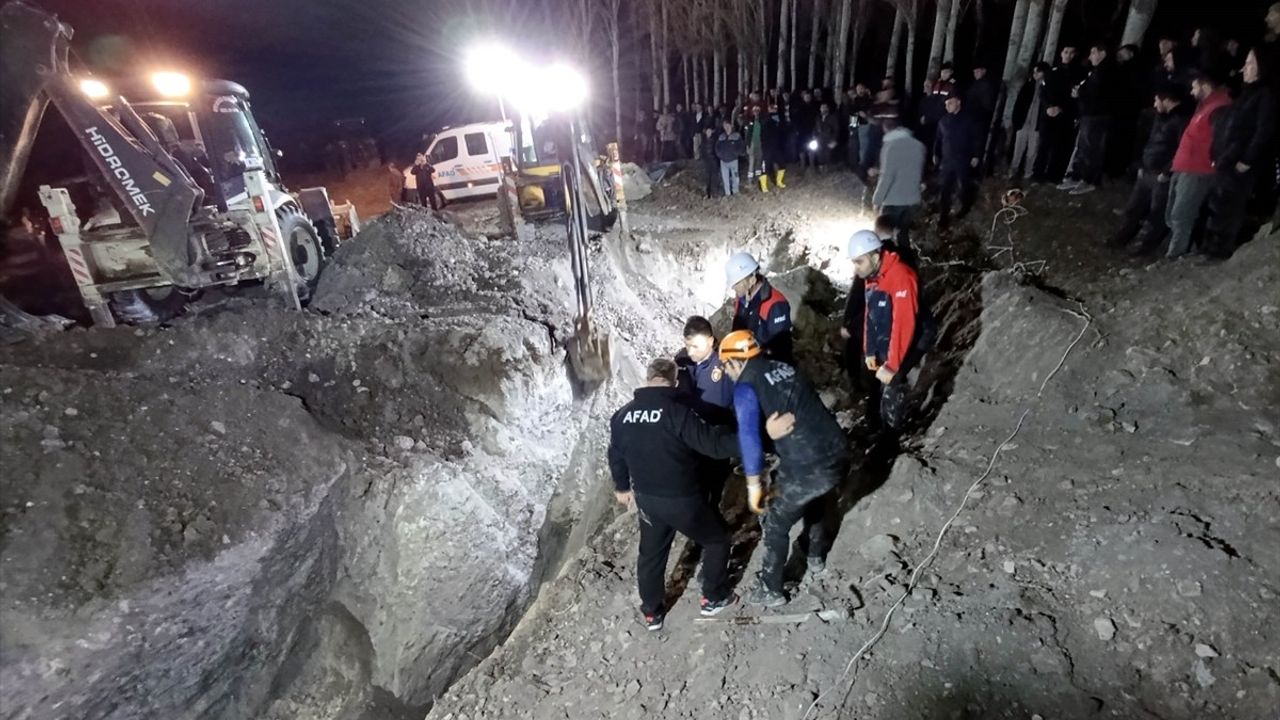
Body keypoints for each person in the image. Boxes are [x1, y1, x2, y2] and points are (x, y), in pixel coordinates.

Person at [607, 358, 742, 630]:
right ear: (676, 380)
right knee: (717, 539)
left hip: (647, 499)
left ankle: (651, 613)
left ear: (647, 379)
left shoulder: (622, 415)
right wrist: (752, 439)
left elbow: (616, 454)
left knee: (651, 555)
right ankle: (713, 597)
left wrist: (622, 487)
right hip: (683, 499)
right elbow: (713, 446)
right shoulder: (676, 412)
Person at [718, 331, 848, 607]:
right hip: (837, 451)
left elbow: (749, 440)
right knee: (813, 497)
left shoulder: (745, 387)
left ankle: (770, 589)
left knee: (775, 520)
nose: (726, 372)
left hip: (808, 463)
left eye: (725, 366)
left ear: (733, 362)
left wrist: (754, 487)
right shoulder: (783, 367)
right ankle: (815, 556)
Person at [848, 230, 934, 432]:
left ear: (875, 256)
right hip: (892, 330)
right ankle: (876, 423)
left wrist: (893, 365)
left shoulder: (901, 276)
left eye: (859, 261)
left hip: (918, 334)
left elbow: (903, 323)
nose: (856, 267)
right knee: (877, 377)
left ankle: (893, 435)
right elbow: (871, 315)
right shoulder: (873, 275)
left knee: (893, 381)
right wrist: (870, 350)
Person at [1205, 49, 1276, 257]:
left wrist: (1247, 159)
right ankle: (1209, 247)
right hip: (1227, 159)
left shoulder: (1265, 96)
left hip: (1241, 163)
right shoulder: (1246, 94)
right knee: (1217, 203)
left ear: (1262, 68)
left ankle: (1221, 250)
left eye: (1250, 63)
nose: (1244, 68)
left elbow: (1263, 131)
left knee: (1231, 206)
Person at [1108, 86, 1191, 255]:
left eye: (1156, 100)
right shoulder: (1161, 118)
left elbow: (1182, 149)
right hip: (1147, 171)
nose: (1154, 104)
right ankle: (1122, 238)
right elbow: (1151, 142)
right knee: (1134, 208)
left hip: (1161, 176)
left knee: (1156, 213)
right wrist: (1141, 165)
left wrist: (1167, 172)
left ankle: (1145, 246)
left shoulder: (1181, 120)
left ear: (1166, 100)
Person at [1166, 68, 1232, 258]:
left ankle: (1175, 256)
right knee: (1174, 213)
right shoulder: (1205, 106)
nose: (1191, 91)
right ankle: (1186, 249)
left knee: (1181, 214)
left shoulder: (1219, 107)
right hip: (1184, 167)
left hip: (1197, 170)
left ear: (1205, 85)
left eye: (1194, 86)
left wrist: (1212, 163)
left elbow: (1221, 140)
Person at [1059, 44, 1116, 195]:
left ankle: (1088, 180)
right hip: (1088, 115)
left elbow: (1097, 94)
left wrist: (1080, 94)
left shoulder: (1105, 71)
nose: (1090, 56)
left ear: (1102, 53)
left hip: (1096, 116)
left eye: (1093, 53)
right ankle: (1076, 176)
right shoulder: (1095, 71)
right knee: (1083, 147)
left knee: (1091, 148)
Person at [870, 105, 926, 249]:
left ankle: (885, 266)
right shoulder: (919, 145)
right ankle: (906, 263)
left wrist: (877, 200)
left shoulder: (889, 147)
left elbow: (887, 177)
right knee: (903, 234)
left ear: (886, 129)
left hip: (893, 201)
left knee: (884, 236)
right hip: (912, 200)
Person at [726, 252, 794, 364]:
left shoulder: (775, 304)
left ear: (752, 280)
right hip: (746, 364)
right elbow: (737, 331)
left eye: (736, 283)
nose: (733, 287)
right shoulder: (742, 299)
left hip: (767, 369)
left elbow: (779, 350)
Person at [1035, 45, 1085, 183]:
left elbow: (1075, 96)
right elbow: (1043, 92)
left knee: (1060, 147)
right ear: (1061, 53)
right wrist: (1049, 107)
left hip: (1065, 116)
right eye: (1066, 52)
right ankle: (1038, 174)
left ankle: (1054, 176)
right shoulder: (1052, 71)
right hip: (1049, 114)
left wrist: (1064, 109)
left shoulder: (1079, 73)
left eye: (1072, 53)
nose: (1068, 55)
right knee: (1044, 146)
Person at [934, 93, 981, 228]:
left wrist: (976, 155)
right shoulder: (943, 121)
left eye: (950, 103)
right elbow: (938, 139)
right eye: (946, 104)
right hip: (947, 160)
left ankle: (965, 206)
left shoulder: (968, 120)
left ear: (958, 102)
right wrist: (936, 154)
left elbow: (976, 139)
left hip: (963, 159)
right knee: (945, 188)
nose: (947, 106)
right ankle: (944, 214)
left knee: (963, 186)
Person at [1009, 63, 1049, 180]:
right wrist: (1016, 120)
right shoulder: (1028, 85)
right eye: (1034, 72)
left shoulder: (1046, 87)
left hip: (1036, 124)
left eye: (1038, 72)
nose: (1035, 74)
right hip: (1024, 122)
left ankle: (1028, 171)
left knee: (1032, 150)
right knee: (1018, 148)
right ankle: (1013, 169)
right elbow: (1019, 104)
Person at [920, 63, 957, 158]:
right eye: (943, 72)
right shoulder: (936, 84)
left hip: (943, 118)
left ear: (951, 73)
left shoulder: (953, 85)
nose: (944, 74)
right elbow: (931, 102)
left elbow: (952, 103)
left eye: (947, 72)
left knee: (941, 140)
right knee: (929, 139)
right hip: (932, 117)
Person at [760, 103, 789, 191]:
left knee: (782, 164)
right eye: (771, 108)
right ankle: (764, 186)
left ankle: (779, 182)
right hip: (767, 147)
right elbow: (762, 134)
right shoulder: (766, 120)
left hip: (777, 147)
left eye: (774, 108)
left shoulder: (780, 120)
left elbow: (783, 132)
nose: (773, 110)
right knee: (765, 167)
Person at [715, 120, 746, 196]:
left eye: (728, 126)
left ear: (731, 126)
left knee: (735, 177)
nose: (727, 127)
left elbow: (742, 146)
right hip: (723, 161)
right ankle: (727, 193)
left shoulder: (736, 136)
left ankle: (735, 191)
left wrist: (736, 153)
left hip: (733, 160)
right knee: (725, 178)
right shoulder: (721, 136)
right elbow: (716, 147)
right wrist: (720, 155)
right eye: (725, 126)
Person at [814, 102, 840, 170]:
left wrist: (834, 140)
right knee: (819, 153)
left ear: (828, 108)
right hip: (819, 139)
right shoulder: (818, 117)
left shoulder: (833, 117)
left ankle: (827, 167)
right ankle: (821, 167)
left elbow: (836, 129)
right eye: (822, 107)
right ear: (820, 109)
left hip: (829, 138)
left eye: (825, 107)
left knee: (828, 154)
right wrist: (814, 137)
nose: (823, 109)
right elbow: (815, 128)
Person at [701, 126, 722, 198]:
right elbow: (702, 151)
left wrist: (716, 159)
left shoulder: (715, 140)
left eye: (710, 131)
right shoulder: (703, 141)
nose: (708, 133)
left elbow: (717, 150)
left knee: (714, 177)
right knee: (707, 177)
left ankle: (714, 192)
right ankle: (708, 193)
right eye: (707, 132)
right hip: (707, 161)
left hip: (713, 160)